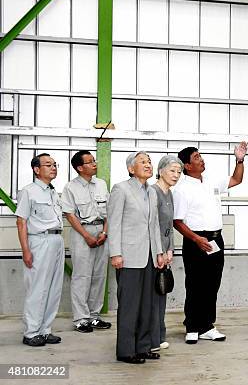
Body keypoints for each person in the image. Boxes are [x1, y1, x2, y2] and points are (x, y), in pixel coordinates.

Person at [174, 142, 247, 344]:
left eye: (200, 156)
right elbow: (177, 222)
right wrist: (197, 239)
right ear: (187, 165)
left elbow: (236, 179)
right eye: (196, 157)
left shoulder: (211, 181)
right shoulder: (181, 189)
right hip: (195, 240)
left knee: (212, 283)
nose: (201, 159)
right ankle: (192, 326)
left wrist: (239, 159)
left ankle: (207, 326)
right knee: (194, 283)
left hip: (216, 239)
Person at [107, 151, 165, 364]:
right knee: (130, 305)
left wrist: (159, 252)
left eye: (149, 161)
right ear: (131, 168)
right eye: (143, 162)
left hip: (149, 256)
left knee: (147, 305)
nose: (148, 165)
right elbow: (114, 223)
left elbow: (154, 225)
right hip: (128, 256)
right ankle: (125, 351)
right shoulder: (121, 189)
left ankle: (143, 347)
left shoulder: (151, 192)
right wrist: (115, 253)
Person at [15, 153, 64, 347]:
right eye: (48, 165)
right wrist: (26, 250)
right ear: (36, 170)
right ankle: (31, 332)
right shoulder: (29, 191)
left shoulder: (52, 191)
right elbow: (21, 222)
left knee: (54, 287)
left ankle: (45, 330)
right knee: (37, 288)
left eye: (54, 164)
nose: (53, 168)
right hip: (39, 242)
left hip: (56, 240)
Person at [61, 150, 112, 333]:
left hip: (102, 233)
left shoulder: (101, 184)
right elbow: (70, 215)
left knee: (99, 276)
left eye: (94, 161)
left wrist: (105, 232)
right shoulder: (70, 187)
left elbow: (108, 211)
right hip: (82, 233)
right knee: (82, 276)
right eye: (90, 162)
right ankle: (81, 319)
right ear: (80, 167)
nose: (94, 164)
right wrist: (86, 236)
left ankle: (94, 316)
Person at [150, 155, 183, 351]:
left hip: (165, 253)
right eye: (172, 170)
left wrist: (171, 249)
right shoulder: (152, 192)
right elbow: (152, 226)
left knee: (161, 294)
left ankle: (159, 334)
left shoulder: (169, 193)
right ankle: (152, 337)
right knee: (153, 298)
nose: (176, 175)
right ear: (161, 170)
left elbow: (168, 226)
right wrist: (160, 252)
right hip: (154, 253)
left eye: (179, 172)